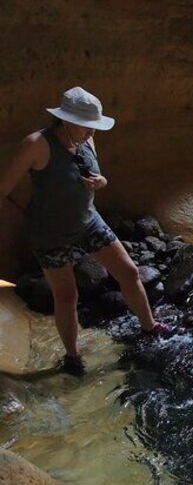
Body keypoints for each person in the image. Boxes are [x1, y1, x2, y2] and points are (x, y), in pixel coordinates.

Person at [0, 87, 172, 376]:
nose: (92, 130)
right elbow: (3, 189)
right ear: (66, 120)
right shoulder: (36, 144)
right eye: (87, 124)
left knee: (129, 272)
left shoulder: (88, 138)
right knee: (67, 296)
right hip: (51, 235)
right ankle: (72, 356)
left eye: (94, 124)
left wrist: (100, 182)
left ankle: (149, 327)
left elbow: (96, 175)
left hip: (89, 222)